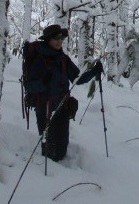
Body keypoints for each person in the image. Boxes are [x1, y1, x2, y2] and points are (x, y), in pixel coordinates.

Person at [25, 23, 103, 162]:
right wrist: (43, 82)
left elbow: (77, 79)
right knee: (49, 148)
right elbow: (30, 86)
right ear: (48, 39)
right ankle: (48, 179)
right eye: (56, 38)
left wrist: (94, 72)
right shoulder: (40, 59)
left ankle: (60, 171)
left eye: (61, 38)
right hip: (45, 107)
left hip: (62, 106)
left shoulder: (63, 59)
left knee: (62, 146)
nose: (59, 41)